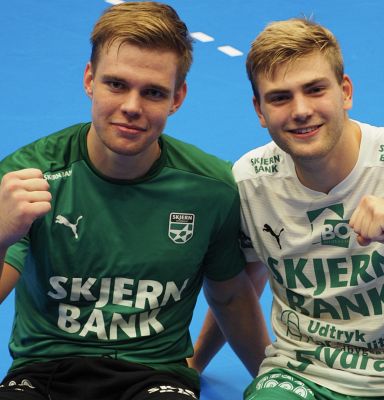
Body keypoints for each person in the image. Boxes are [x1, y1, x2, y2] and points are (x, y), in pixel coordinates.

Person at [190, 18, 384, 400]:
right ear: (259, 110)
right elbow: (241, 284)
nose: (301, 110)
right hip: (299, 376)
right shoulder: (251, 181)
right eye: (280, 97)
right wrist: (196, 363)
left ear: (345, 92)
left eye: (315, 89)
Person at [0, 2, 270, 400]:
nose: (131, 107)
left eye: (153, 92)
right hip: (43, 373)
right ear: (89, 79)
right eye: (116, 84)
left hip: (155, 377)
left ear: (177, 97)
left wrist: (270, 381)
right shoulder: (30, 177)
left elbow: (231, 297)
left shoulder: (211, 190)